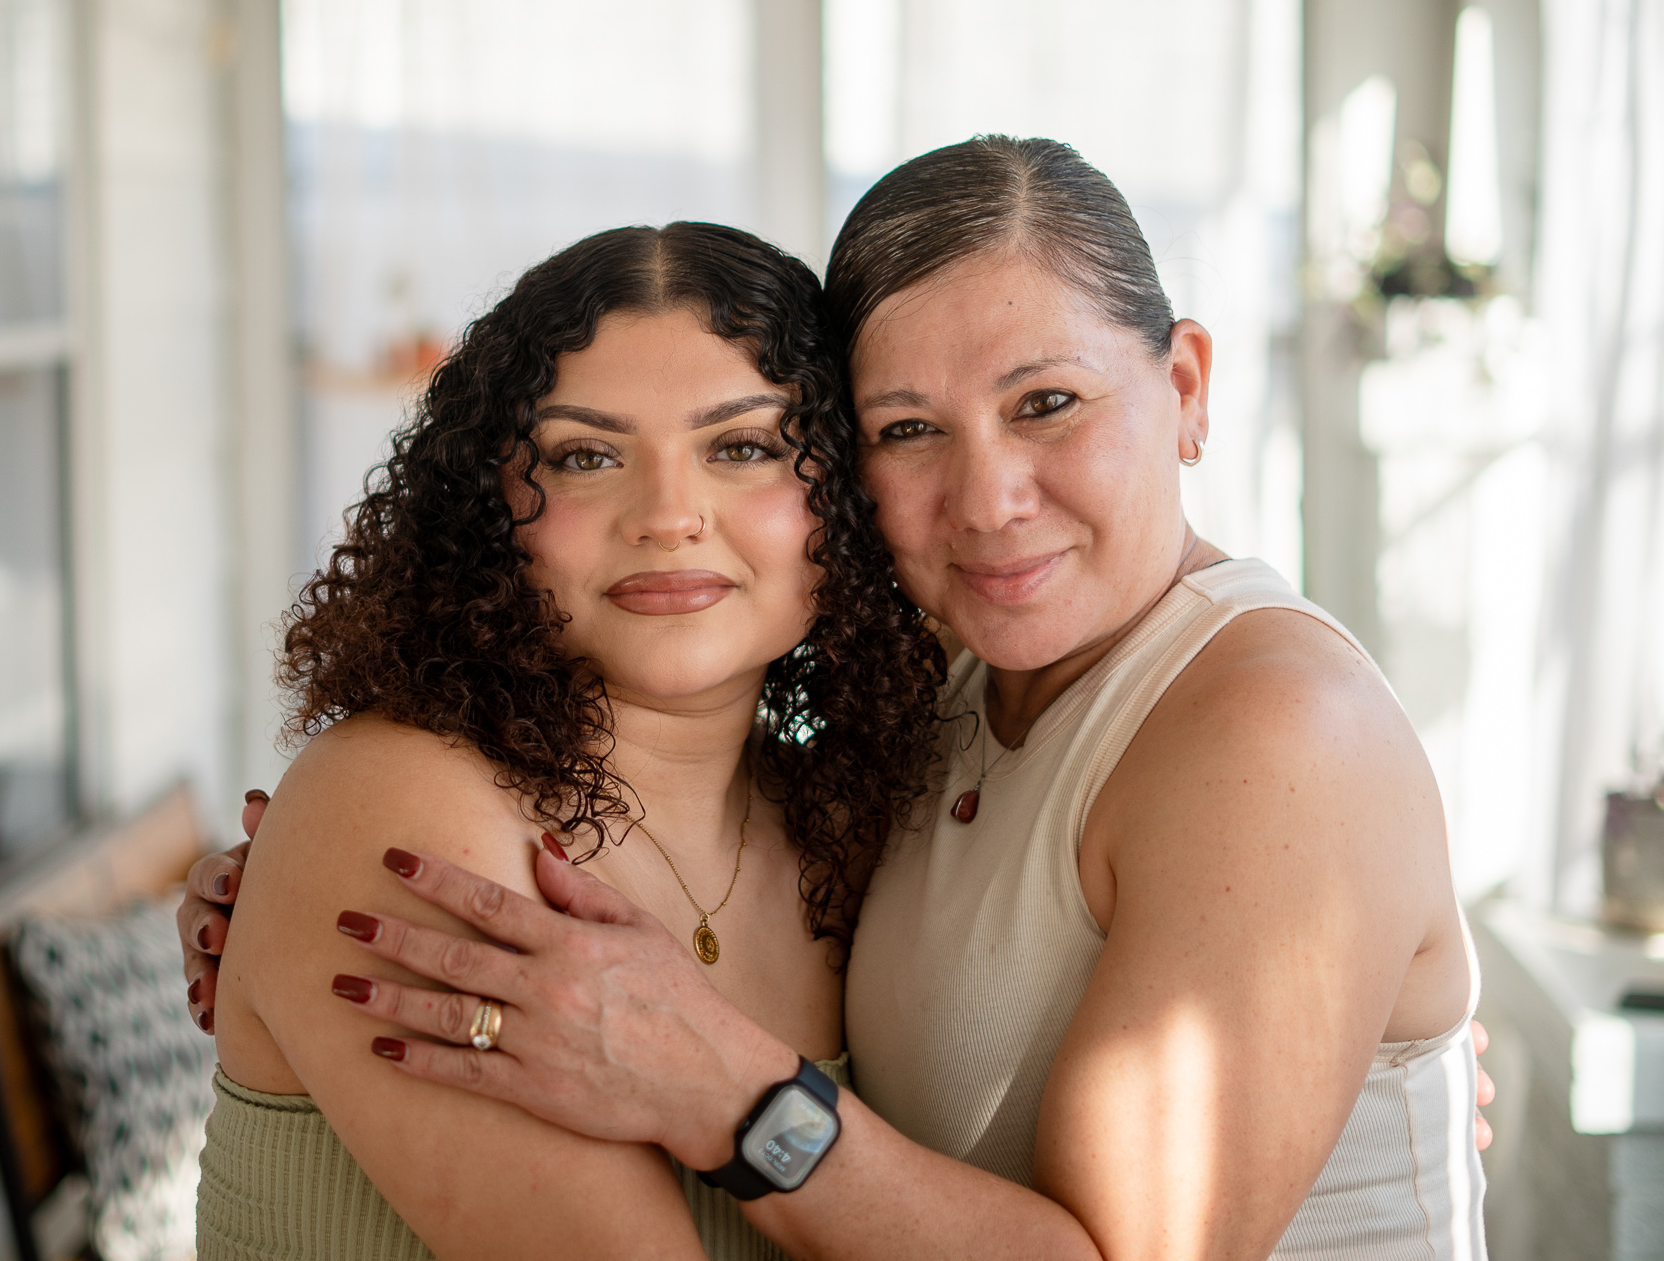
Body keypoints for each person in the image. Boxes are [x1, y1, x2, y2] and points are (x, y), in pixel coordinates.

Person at [189, 136, 1495, 1261]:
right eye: (907, 429)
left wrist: (733, 1091)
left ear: (1187, 388)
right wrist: (285, 892)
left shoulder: (1270, 732)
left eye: (744, 444)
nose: (988, 500)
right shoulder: (915, 743)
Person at [196, 222, 948, 1261]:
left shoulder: (848, 831)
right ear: (487, 510)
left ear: (849, 499)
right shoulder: (399, 804)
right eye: (585, 456)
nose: (669, 515)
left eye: (743, 445)